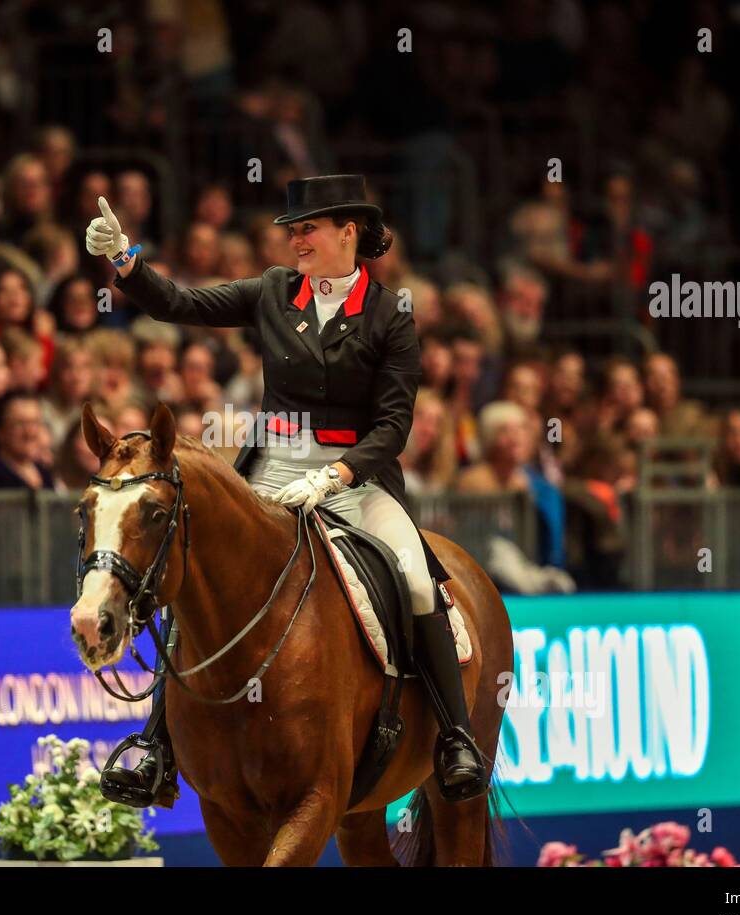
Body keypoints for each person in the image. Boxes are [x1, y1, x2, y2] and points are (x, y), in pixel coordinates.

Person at [84, 174, 487, 808]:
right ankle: (157, 745)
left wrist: (338, 474)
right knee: (197, 572)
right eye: (293, 230)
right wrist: (126, 262)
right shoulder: (274, 292)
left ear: (347, 232)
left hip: (357, 474)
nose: (296, 240)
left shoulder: (389, 315)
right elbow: (181, 304)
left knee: (412, 577)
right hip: (273, 467)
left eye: (308, 229)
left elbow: (394, 425)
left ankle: (456, 737)